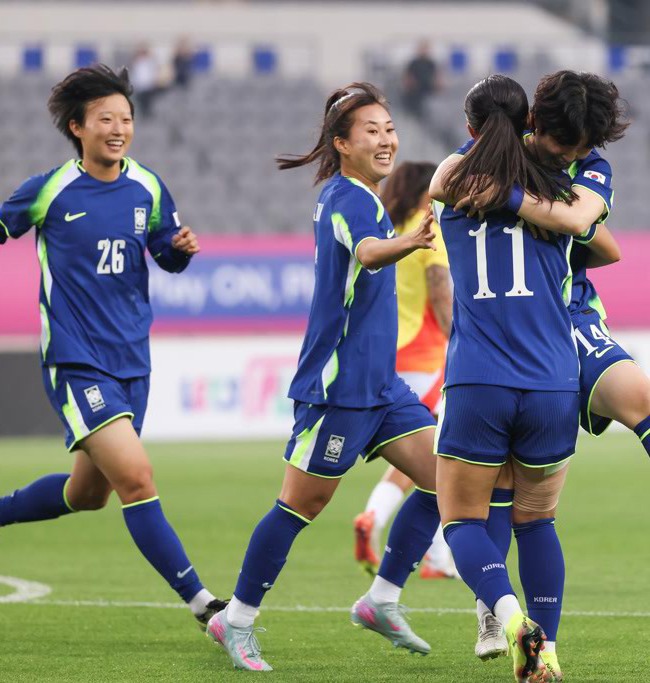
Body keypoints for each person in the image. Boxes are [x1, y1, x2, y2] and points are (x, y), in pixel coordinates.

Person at [447, 70, 650, 677]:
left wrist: (513, 200)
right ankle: (495, 610)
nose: (573, 154)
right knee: (509, 487)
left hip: (570, 314)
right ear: (533, 123)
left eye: (584, 145)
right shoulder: (497, 150)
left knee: (640, 397)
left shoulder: (579, 165)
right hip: (528, 330)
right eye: (564, 143)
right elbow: (452, 180)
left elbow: (593, 226)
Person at [205, 83, 443, 672]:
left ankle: (381, 599)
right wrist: (407, 242)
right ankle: (234, 621)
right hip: (338, 390)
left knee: (448, 482)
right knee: (298, 507)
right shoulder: (352, 200)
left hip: (381, 387)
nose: (386, 138)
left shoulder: (361, 195)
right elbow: (365, 253)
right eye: (371, 130)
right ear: (341, 143)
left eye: (389, 128)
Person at [0, 64, 224, 630]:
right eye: (106, 119)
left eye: (127, 119)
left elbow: (165, 254)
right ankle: (207, 607)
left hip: (132, 361)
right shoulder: (49, 190)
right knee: (137, 479)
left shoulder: (149, 186)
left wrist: (181, 249)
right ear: (78, 127)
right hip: (75, 359)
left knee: (89, 494)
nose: (119, 128)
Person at [429, 74, 578, 683]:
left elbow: (441, 182)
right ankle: (550, 652)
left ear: (469, 128)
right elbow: (603, 241)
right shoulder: (559, 189)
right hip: (552, 381)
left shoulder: (454, 179)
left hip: (479, 379)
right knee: (537, 520)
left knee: (462, 520)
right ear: (530, 126)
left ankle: (511, 621)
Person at [353, 161, 457, 579]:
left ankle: (430, 553)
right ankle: (380, 522)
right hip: (427, 353)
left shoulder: (386, 229)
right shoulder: (427, 227)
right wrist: (461, 340)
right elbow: (441, 290)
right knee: (437, 455)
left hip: (391, 349)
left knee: (426, 454)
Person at [401, 40, 440, 119]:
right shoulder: (414, 63)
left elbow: (437, 76)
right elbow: (407, 76)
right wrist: (409, 84)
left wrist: (437, 84)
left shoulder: (431, 63)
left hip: (428, 90)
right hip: (416, 91)